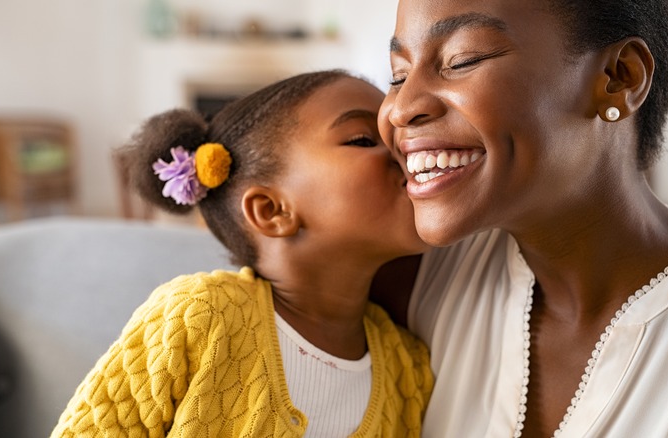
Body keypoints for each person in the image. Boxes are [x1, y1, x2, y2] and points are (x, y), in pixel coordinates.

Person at [373, 0, 668, 436]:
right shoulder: (414, 279)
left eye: (462, 60)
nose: (399, 107)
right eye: (398, 75)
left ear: (619, 78)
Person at [51, 70, 433, 437]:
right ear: (272, 210)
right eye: (364, 139)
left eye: (397, 138)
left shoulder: (407, 369)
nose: (407, 151)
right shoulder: (198, 316)